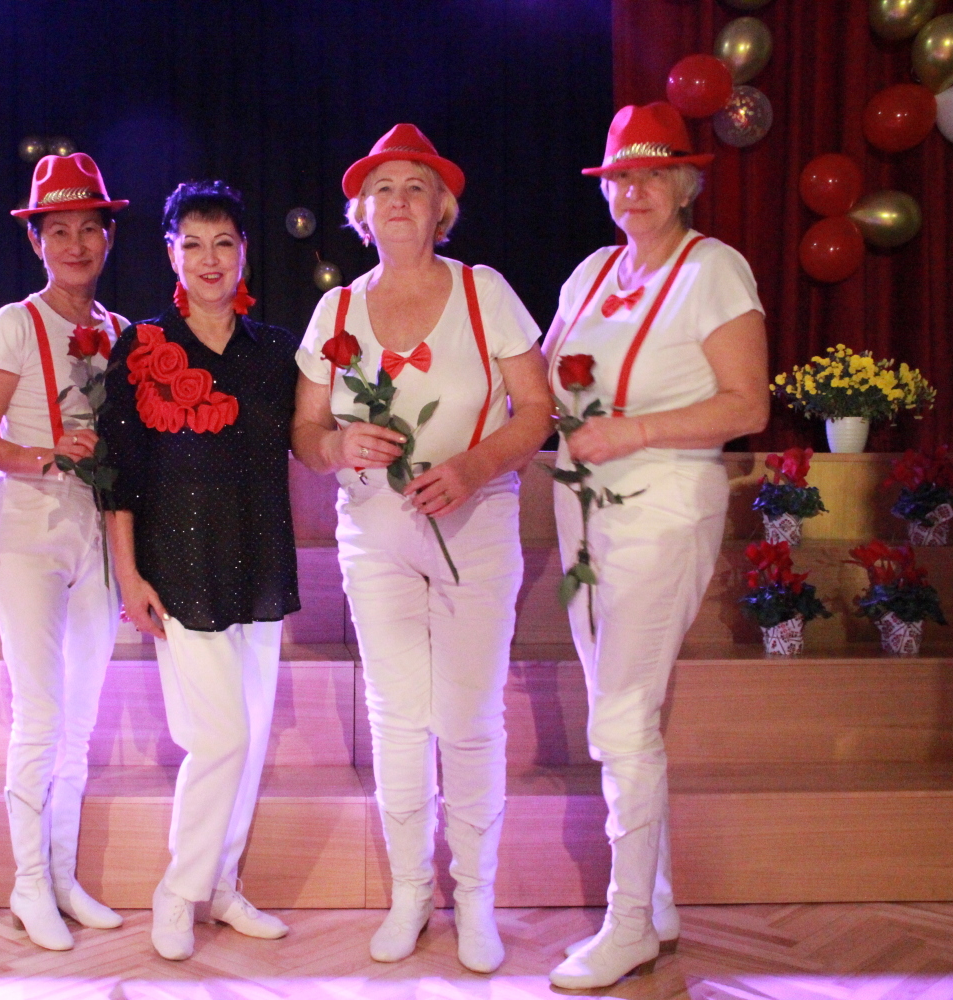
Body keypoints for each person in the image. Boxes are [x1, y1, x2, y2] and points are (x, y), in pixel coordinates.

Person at [291, 124, 555, 974]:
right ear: (361, 213)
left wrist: (473, 468)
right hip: (375, 533)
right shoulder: (336, 310)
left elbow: (537, 410)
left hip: (478, 527)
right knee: (398, 716)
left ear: (442, 208)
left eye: (416, 187)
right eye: (383, 189)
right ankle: (411, 892)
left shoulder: (486, 291)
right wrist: (337, 445)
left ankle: (474, 897)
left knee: (470, 716)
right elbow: (305, 431)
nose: (399, 201)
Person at [543, 103, 768, 988]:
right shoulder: (592, 272)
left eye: (651, 175)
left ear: (683, 183)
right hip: (584, 507)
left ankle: (629, 923)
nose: (633, 190)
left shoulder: (715, 268)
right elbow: (540, 381)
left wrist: (632, 432)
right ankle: (658, 900)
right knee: (618, 706)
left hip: (666, 501)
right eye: (620, 177)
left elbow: (747, 404)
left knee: (622, 715)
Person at [98, 180, 300, 961]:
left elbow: (314, 440)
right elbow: (119, 470)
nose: (209, 259)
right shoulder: (144, 344)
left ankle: (222, 884)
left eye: (223, 243)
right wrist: (128, 575)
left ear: (244, 251)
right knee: (222, 737)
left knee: (246, 740)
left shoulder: (277, 351)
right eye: (192, 244)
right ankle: (179, 892)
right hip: (179, 567)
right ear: (170, 253)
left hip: (260, 562)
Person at [0, 153, 130, 950]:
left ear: (108, 238)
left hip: (96, 539)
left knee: (81, 718)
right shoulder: (12, 323)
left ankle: (62, 876)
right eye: (58, 230)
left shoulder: (124, 333)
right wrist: (44, 455)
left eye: (88, 229)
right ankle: (28, 882)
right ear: (36, 241)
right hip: (30, 534)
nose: (75, 244)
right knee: (39, 713)